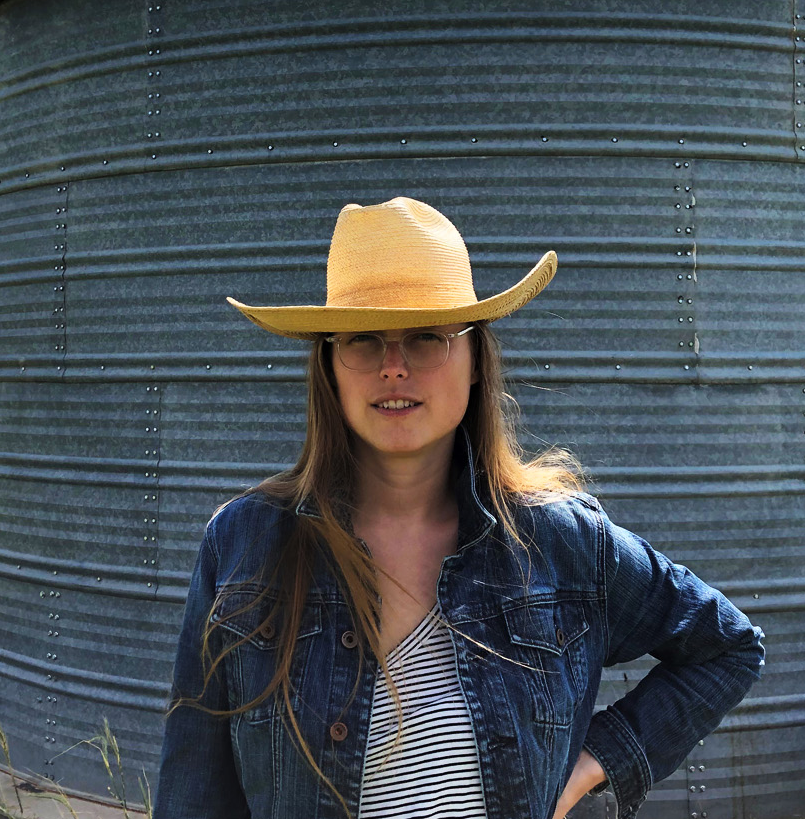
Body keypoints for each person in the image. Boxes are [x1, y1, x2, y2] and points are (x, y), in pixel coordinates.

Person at [156, 197, 765, 819]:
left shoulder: (559, 543)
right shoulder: (244, 544)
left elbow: (728, 647)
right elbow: (194, 791)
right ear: (329, 367)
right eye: (364, 339)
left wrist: (592, 765)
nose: (394, 367)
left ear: (476, 361)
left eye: (426, 337)